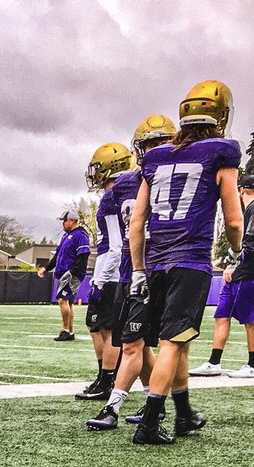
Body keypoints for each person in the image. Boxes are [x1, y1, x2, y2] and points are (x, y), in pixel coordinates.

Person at [128, 79, 242, 445]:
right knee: (172, 343)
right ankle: (149, 421)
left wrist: (139, 268)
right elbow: (234, 218)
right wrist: (239, 251)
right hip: (189, 260)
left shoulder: (156, 157)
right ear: (221, 115)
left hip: (156, 260)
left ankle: (184, 412)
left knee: (180, 338)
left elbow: (137, 222)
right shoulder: (221, 153)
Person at [86, 114, 176, 431]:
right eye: (150, 144)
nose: (155, 150)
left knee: (136, 343)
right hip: (129, 271)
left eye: (162, 143)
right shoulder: (122, 186)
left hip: (159, 269)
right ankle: (162, 405)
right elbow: (117, 240)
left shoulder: (176, 180)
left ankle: (114, 405)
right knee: (141, 344)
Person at [76, 142, 133, 407]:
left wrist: (100, 279)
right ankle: (106, 376)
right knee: (95, 327)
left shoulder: (115, 195)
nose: (94, 172)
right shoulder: (125, 191)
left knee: (107, 329)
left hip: (111, 273)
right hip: (109, 270)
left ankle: (107, 379)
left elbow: (116, 244)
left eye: (99, 167)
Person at [190, 172, 254, 380]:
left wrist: (235, 265)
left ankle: (252, 364)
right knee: (221, 315)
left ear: (241, 190)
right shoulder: (247, 211)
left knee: (250, 320)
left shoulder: (252, 209)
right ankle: (214, 362)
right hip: (238, 272)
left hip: (248, 273)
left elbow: (251, 244)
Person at [38, 211, 91, 340]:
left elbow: (83, 255)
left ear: (72, 221)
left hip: (71, 274)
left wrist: (73, 271)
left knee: (62, 300)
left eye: (64, 220)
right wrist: (46, 268)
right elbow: (57, 256)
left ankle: (65, 330)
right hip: (62, 273)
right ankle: (70, 331)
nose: (63, 223)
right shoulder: (65, 236)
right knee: (69, 302)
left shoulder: (80, 235)